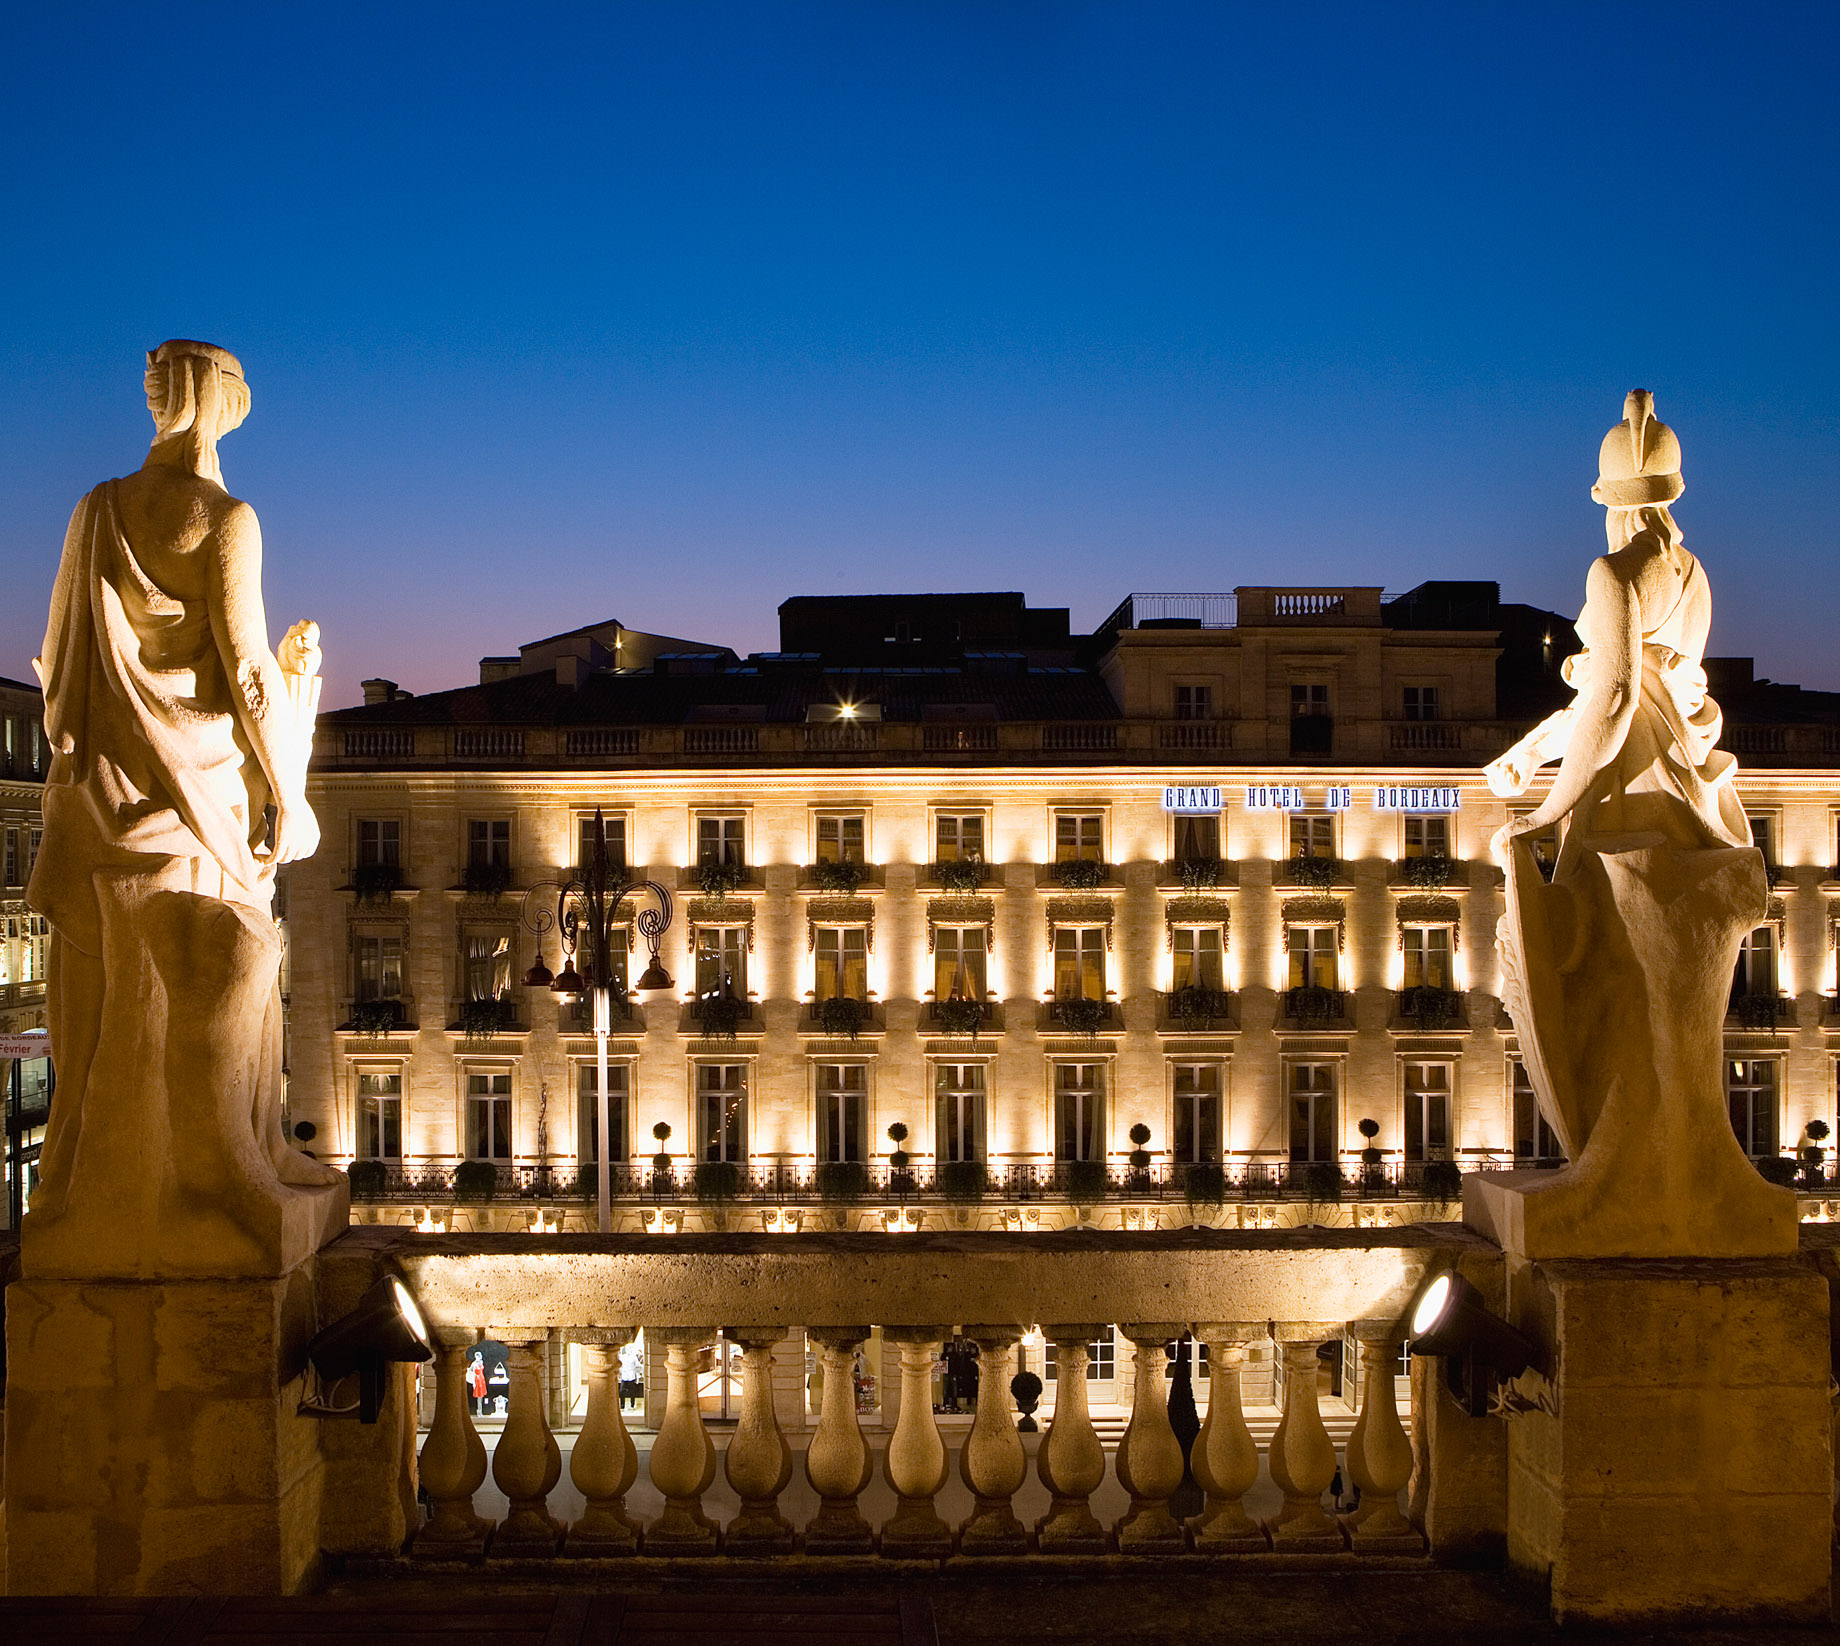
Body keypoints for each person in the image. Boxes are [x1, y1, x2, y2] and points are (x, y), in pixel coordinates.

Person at [25, 341, 340, 1275]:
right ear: (225, 404)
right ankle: (226, 1171)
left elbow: (58, 667)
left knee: (103, 1021)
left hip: (102, 802)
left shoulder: (96, 510)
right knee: (222, 979)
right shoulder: (226, 519)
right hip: (196, 796)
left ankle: (88, 1188)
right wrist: (289, 784)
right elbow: (241, 667)